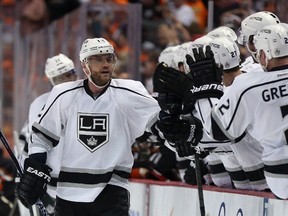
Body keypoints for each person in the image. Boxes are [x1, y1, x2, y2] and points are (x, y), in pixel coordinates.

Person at [16, 37, 162, 216]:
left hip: (112, 190)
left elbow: (160, 124)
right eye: (98, 59)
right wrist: (35, 166)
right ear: (85, 65)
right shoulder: (63, 95)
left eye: (109, 59)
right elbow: (41, 137)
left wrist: (177, 121)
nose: (105, 64)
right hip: (68, 193)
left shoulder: (130, 92)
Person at [153, 23, 288, 199]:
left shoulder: (248, 85)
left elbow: (220, 132)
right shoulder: (247, 81)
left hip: (278, 176)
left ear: (264, 54)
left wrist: (204, 94)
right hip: (255, 178)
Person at [16, 53, 78, 215]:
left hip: (83, 185)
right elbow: (30, 142)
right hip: (51, 185)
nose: (66, 81)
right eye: (60, 78)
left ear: (75, 73)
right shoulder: (39, 104)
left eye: (69, 75)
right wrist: (24, 176)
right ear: (51, 80)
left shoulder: (89, 100)